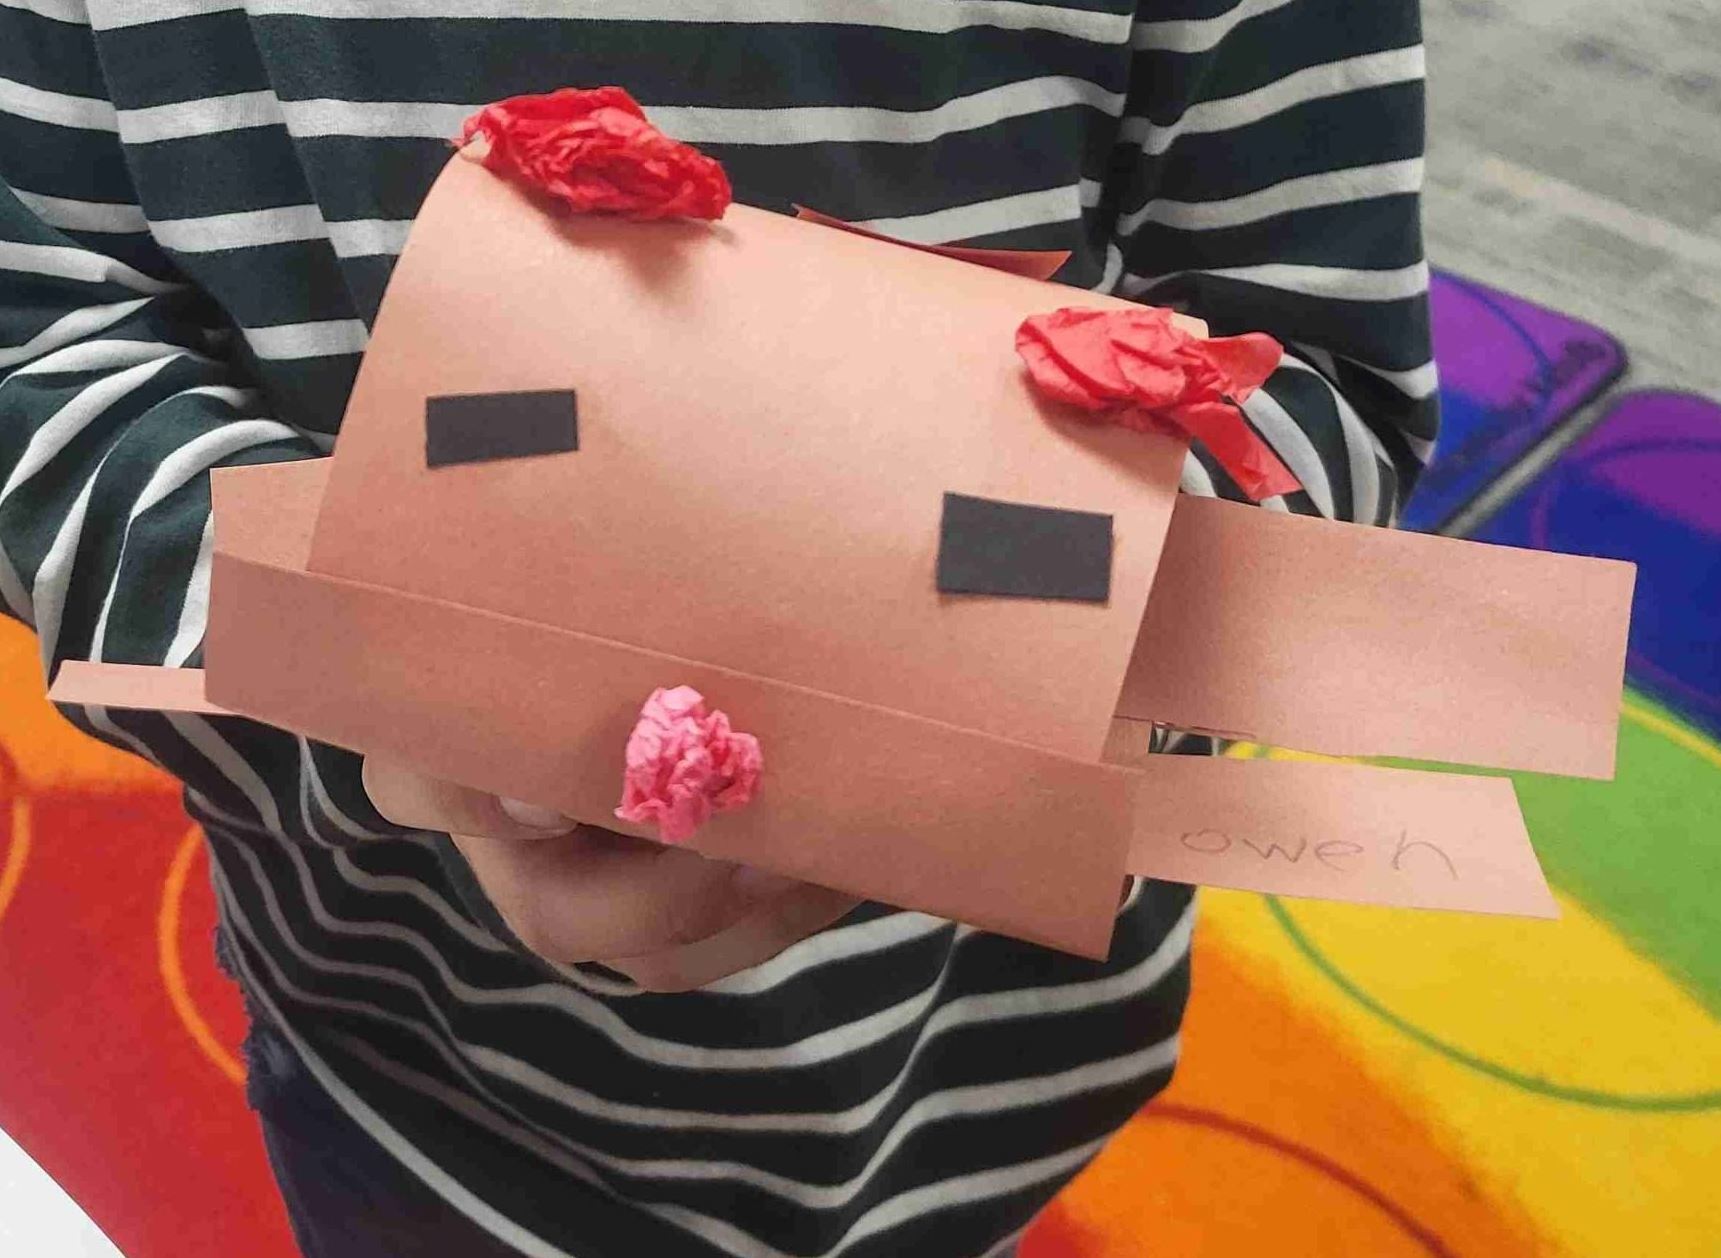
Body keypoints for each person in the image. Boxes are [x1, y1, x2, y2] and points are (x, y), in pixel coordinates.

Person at [0, 2, 1436, 1255]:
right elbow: (40, 358)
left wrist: (1056, 636)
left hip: (980, 1052)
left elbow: (1313, 375)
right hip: (408, 1041)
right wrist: (375, 672)